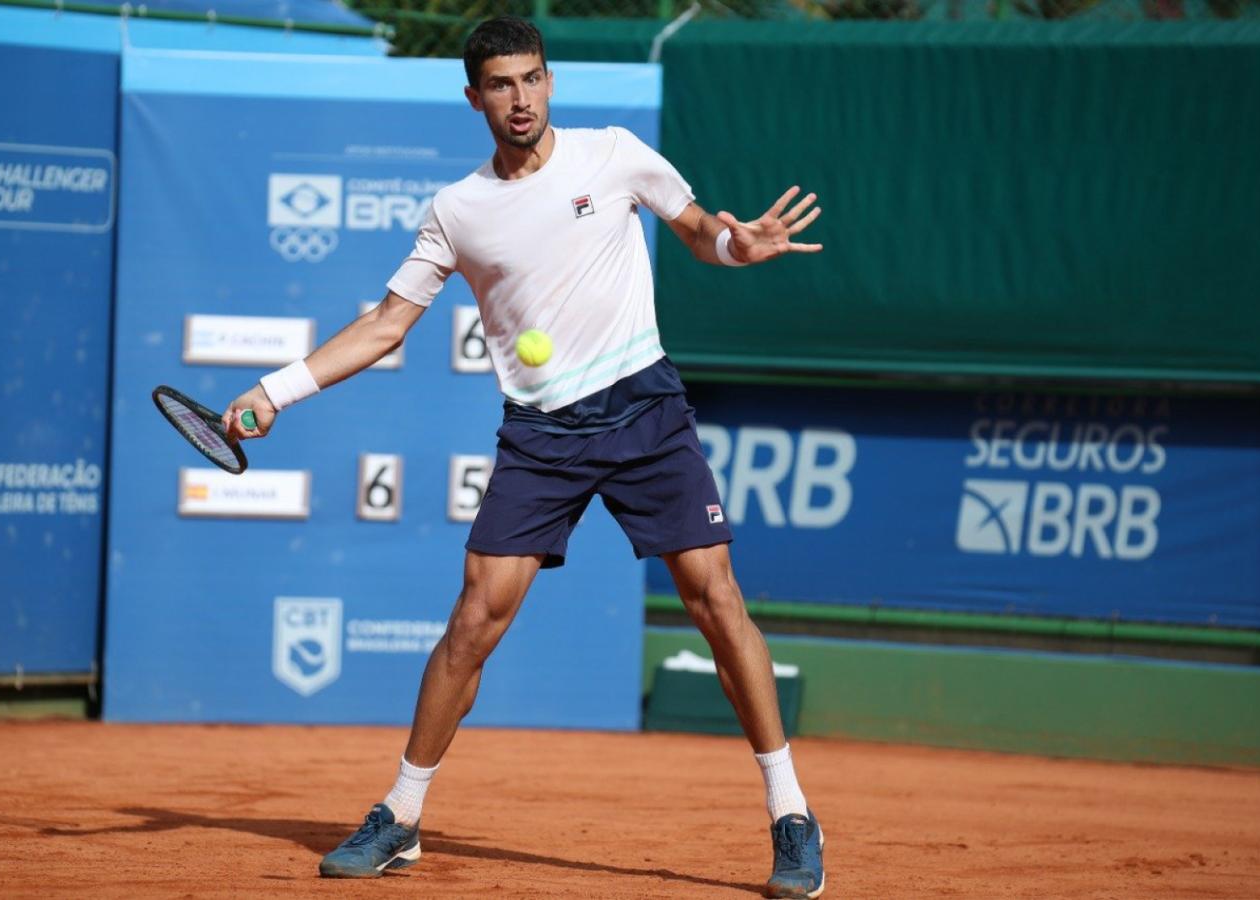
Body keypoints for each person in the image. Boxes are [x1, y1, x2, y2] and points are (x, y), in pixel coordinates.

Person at [223, 16, 826, 899]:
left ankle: (790, 816)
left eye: (532, 79)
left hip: (644, 408)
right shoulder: (457, 211)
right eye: (501, 84)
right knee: (473, 620)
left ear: (551, 82)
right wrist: (275, 390)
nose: (521, 98)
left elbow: (698, 229)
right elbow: (387, 323)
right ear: (475, 97)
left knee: (714, 597)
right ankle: (401, 814)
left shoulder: (614, 154)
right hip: (541, 435)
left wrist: (739, 245)